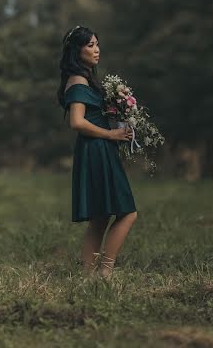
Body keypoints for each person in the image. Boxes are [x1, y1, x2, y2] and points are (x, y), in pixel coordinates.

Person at [58, 25, 137, 278]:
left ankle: (89, 276)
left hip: (99, 148)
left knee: (101, 216)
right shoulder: (78, 81)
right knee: (127, 212)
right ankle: (105, 271)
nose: (96, 50)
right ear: (76, 50)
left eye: (97, 44)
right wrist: (111, 134)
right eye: (90, 45)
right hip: (96, 148)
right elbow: (77, 122)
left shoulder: (85, 79)